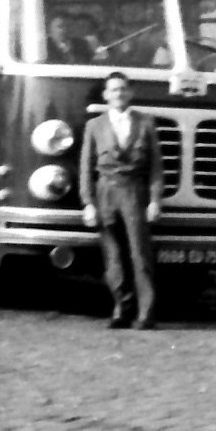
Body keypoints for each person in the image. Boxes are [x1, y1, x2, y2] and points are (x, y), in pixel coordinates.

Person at [80, 70, 162, 329]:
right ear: (106, 95)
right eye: (114, 90)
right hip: (106, 192)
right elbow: (86, 167)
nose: (119, 94)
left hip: (134, 192)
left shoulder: (146, 123)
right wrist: (88, 203)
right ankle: (121, 309)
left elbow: (157, 167)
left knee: (140, 254)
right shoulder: (95, 126)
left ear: (130, 92)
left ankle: (145, 313)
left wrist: (155, 200)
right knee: (113, 256)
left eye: (123, 89)